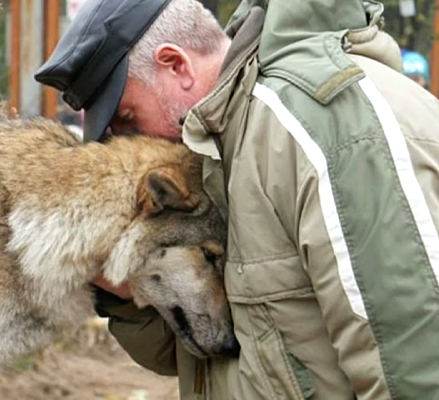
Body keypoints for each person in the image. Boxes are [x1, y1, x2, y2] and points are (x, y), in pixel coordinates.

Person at [35, 0, 439, 399]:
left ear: (176, 65)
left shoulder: (322, 126)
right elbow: (218, 357)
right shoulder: (224, 146)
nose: (128, 144)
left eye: (127, 119)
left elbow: (409, 360)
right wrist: (125, 294)